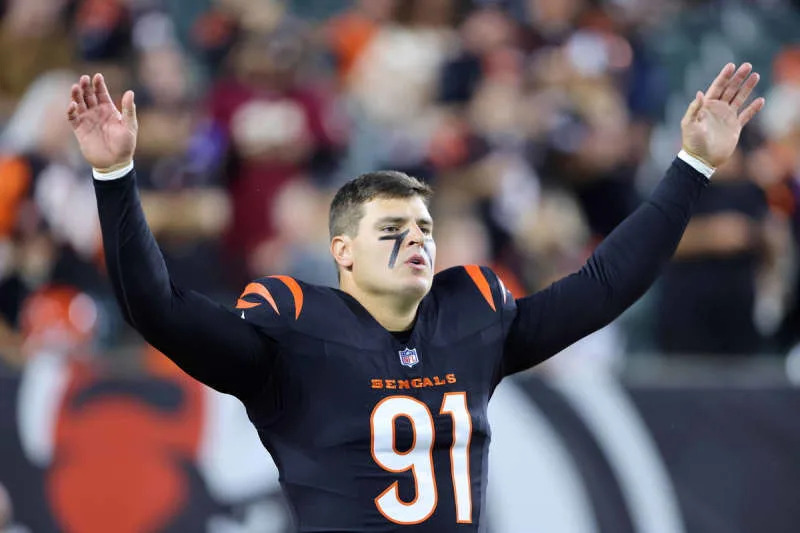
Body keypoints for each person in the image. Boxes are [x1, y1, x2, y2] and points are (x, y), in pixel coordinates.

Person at [67, 63, 764, 531]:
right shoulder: (291, 334)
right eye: (392, 229)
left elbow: (606, 285)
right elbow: (153, 305)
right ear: (342, 250)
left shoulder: (472, 320)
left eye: (425, 228)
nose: (417, 242)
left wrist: (693, 165)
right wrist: (115, 175)